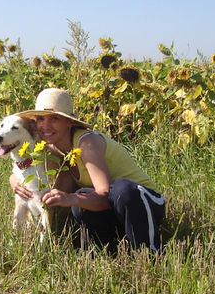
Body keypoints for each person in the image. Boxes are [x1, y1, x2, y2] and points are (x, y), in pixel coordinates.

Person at [9, 88, 165, 252]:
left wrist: (70, 198)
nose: (45, 126)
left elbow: (105, 195)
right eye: (40, 119)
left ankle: (149, 252)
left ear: (69, 122)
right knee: (83, 196)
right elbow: (25, 166)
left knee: (120, 190)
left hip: (144, 201)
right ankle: (109, 251)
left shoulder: (87, 143)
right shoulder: (48, 144)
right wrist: (14, 179)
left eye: (54, 118)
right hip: (114, 209)